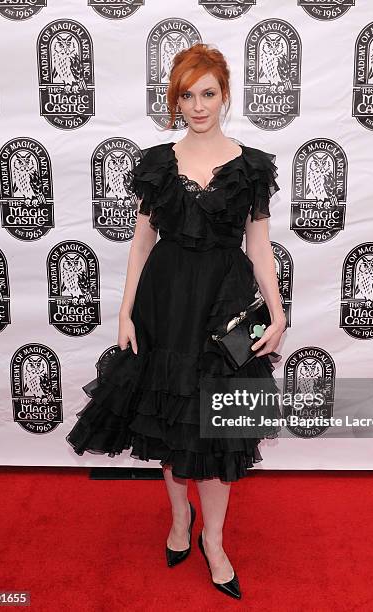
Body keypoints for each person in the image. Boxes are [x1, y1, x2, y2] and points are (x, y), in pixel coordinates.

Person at [66, 43, 286, 600]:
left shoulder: (253, 166)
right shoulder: (157, 163)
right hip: (163, 306)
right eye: (186, 95)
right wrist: (123, 313)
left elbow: (259, 248)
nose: (198, 104)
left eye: (207, 93)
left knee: (220, 434)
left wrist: (278, 311)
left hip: (223, 308)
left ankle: (213, 540)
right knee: (169, 422)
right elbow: (141, 246)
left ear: (225, 93)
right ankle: (179, 520)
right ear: (175, 100)